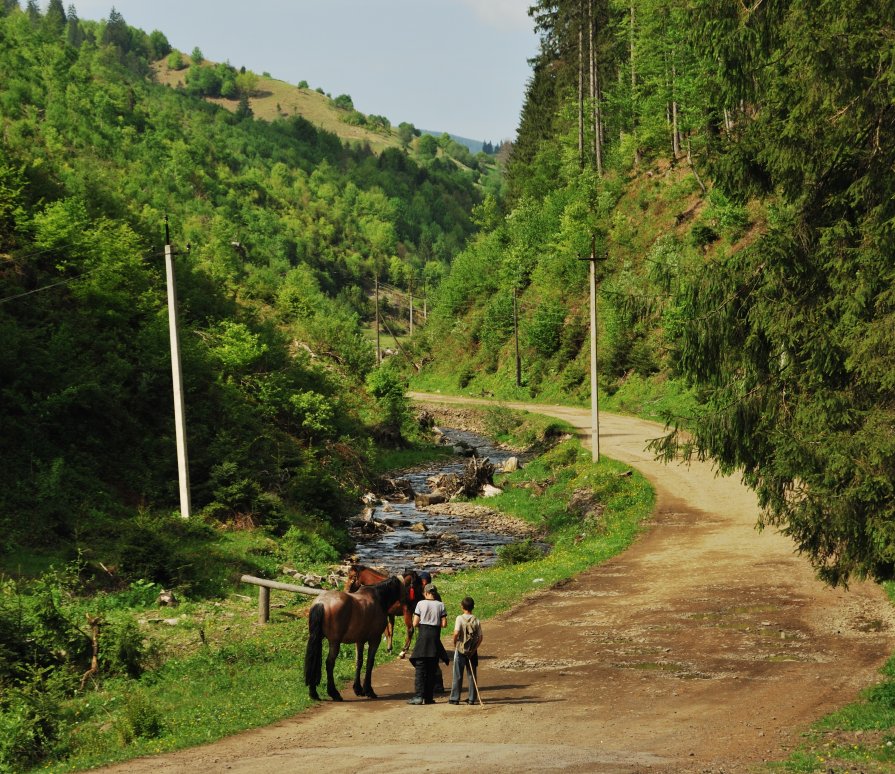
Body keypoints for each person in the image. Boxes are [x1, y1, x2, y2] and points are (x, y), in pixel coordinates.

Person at [407, 584, 447, 704]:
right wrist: (434, 622)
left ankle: (419, 697)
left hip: (423, 637)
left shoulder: (420, 604)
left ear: (425, 593)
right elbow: (444, 624)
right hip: (435, 638)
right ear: (435, 593)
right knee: (431, 669)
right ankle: (429, 698)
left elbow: (414, 623)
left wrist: (424, 623)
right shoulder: (441, 605)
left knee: (420, 669)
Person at [449, 596, 483, 705]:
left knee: (457, 674)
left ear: (462, 607)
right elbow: (480, 637)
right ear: (473, 607)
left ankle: (455, 698)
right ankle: (472, 698)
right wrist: (474, 649)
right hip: (472, 651)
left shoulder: (459, 618)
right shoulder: (476, 620)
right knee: (471, 674)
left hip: (460, 649)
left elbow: (456, 633)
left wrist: (455, 643)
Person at [418, 571, 449, 690]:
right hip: (434, 631)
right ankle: (434, 684)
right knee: (432, 656)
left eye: (422, 580)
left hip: (426, 631)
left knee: (429, 657)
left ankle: (434, 684)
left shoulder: (425, 597)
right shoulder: (436, 596)